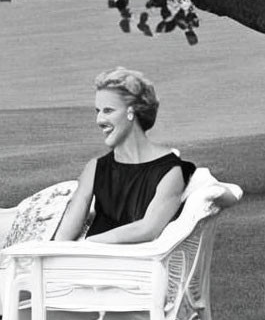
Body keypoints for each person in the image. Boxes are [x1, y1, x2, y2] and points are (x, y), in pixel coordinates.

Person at [54, 67, 194, 243]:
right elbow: (65, 234)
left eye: (108, 110)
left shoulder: (170, 172)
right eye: (97, 111)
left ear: (131, 112)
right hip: (88, 263)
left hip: (133, 266)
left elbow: (148, 228)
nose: (99, 120)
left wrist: (88, 245)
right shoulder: (96, 168)